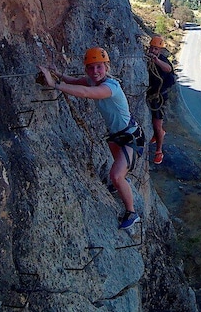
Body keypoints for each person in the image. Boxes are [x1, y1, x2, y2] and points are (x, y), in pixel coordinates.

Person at [39, 47, 143, 230]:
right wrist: (58, 74)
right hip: (118, 136)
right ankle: (121, 185)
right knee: (118, 175)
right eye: (91, 68)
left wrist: (54, 85)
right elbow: (77, 82)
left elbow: (85, 93)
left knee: (116, 175)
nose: (95, 72)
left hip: (131, 138)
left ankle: (132, 213)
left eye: (99, 67)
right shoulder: (92, 81)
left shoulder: (110, 87)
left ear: (107, 67)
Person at [145, 35, 176, 165]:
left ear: (160, 50)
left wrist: (156, 60)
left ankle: (159, 151)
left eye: (156, 49)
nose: (153, 51)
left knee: (157, 124)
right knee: (153, 121)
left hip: (160, 97)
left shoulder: (162, 60)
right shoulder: (147, 58)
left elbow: (168, 69)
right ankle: (156, 135)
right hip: (151, 94)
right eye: (152, 48)